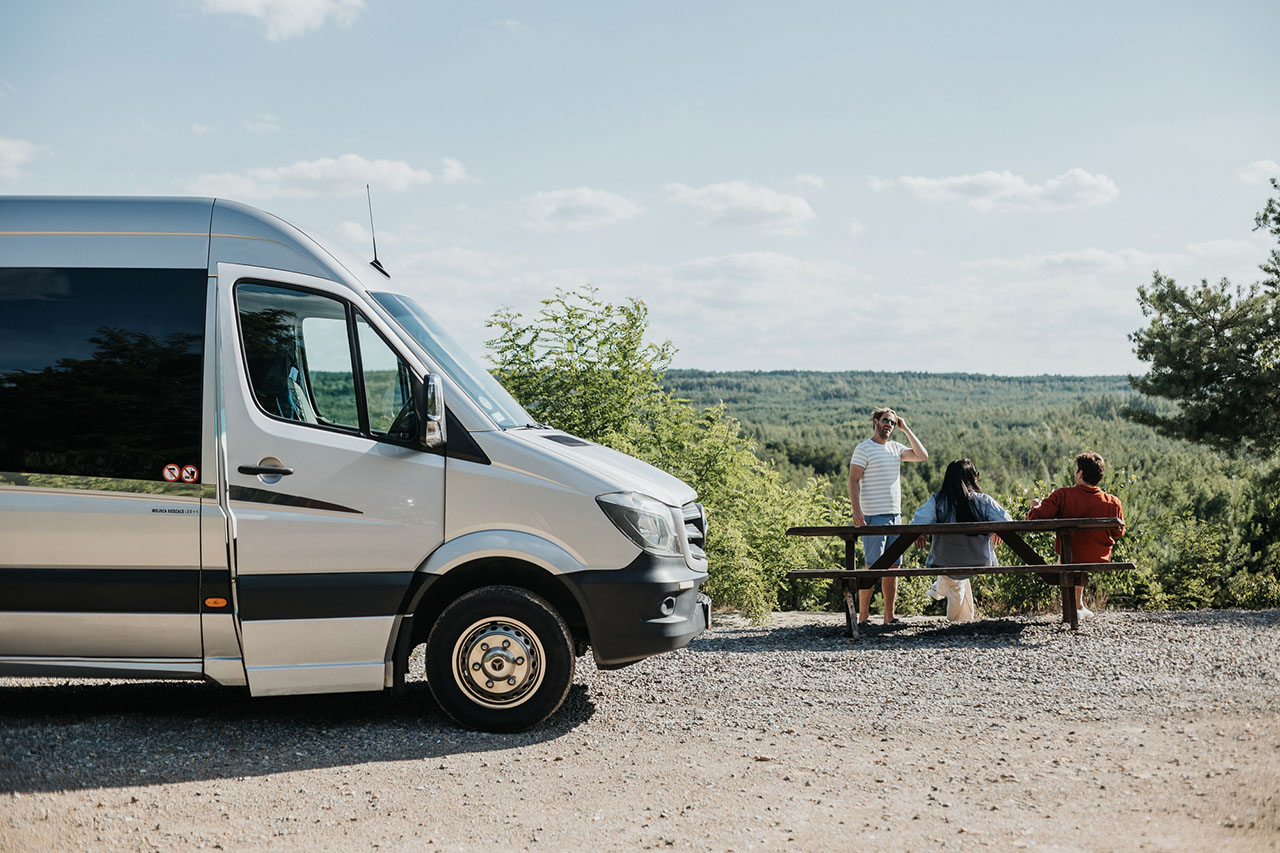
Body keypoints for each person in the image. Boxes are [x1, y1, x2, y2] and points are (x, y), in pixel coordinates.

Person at [849, 406, 928, 625]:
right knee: (873, 567)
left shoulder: (895, 448)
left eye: (892, 423)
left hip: (895, 516)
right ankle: (863, 616)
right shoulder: (863, 448)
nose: (889, 425)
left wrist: (905, 427)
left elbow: (922, 455)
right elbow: (853, 480)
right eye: (885, 421)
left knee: (893, 567)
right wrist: (857, 511)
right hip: (873, 515)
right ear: (875, 422)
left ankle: (888, 616)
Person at [1026, 451, 1125, 618]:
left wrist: (1036, 505)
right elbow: (1118, 532)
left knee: (1071, 551)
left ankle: (1074, 608)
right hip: (1098, 556)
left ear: (1080, 473)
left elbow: (1035, 518)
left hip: (1070, 556)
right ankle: (1078, 605)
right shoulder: (1113, 502)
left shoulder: (1064, 495)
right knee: (1078, 549)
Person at [911, 459, 1011, 622]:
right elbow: (1008, 522)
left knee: (953, 572)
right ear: (971, 478)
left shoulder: (938, 501)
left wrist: (919, 533)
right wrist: (999, 530)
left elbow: (917, 522)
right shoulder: (983, 501)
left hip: (944, 560)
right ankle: (959, 617)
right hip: (978, 560)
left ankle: (939, 591)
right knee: (959, 577)